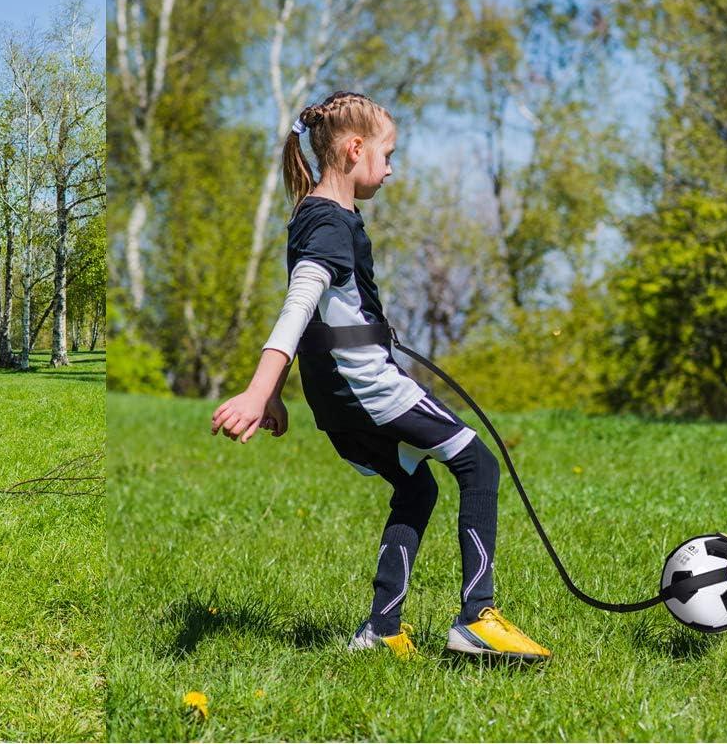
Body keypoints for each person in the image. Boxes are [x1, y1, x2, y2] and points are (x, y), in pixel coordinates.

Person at [210, 91, 551, 663]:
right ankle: (476, 618)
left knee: (417, 487)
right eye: (388, 154)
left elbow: (321, 313)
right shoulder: (327, 221)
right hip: (370, 386)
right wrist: (259, 387)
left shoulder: (316, 216)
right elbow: (298, 305)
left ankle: (381, 632)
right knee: (478, 463)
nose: (391, 168)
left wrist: (283, 393)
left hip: (337, 400)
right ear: (353, 148)